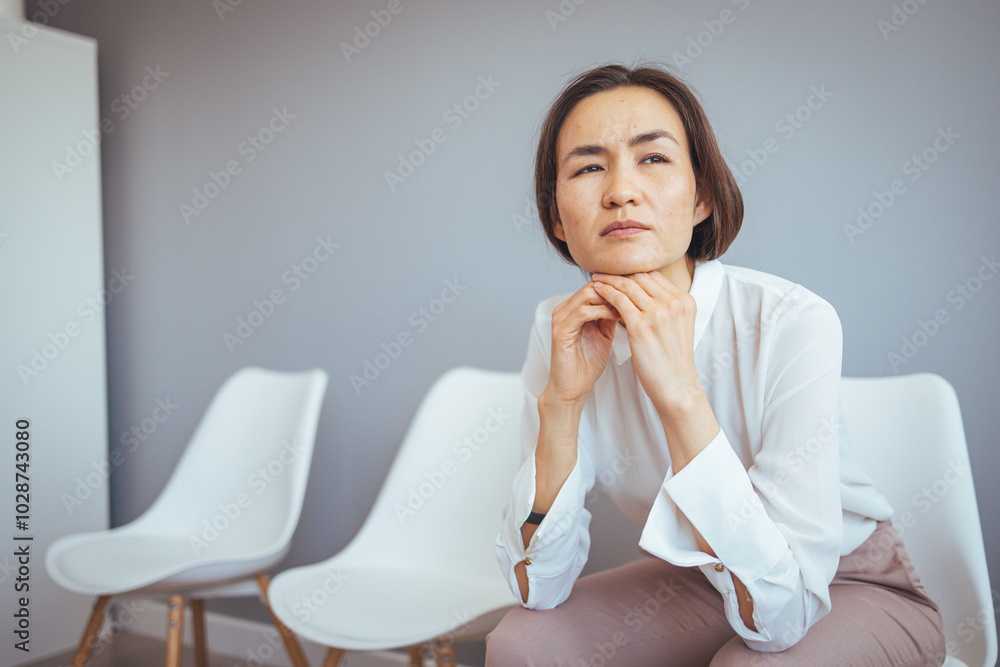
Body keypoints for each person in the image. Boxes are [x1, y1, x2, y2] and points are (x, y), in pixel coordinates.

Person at [486, 62, 945, 666]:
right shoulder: (559, 327)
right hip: (696, 578)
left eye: (653, 158)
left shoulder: (792, 320)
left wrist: (680, 394)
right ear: (556, 215)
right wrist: (562, 406)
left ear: (702, 196)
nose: (620, 191)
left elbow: (782, 619)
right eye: (589, 167)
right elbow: (536, 589)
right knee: (522, 645)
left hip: (846, 584)